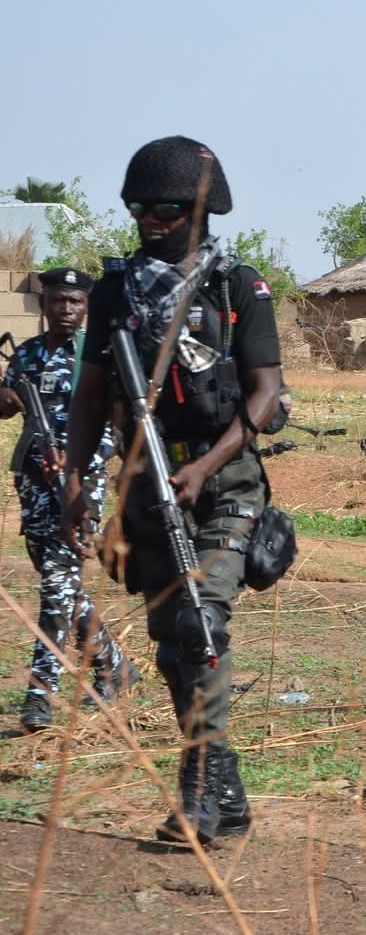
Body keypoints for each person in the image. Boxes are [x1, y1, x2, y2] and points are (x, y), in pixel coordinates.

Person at [63, 136, 287, 845]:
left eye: (163, 209)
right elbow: (90, 396)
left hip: (223, 480)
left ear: (197, 212)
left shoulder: (235, 288)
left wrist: (204, 464)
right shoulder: (113, 292)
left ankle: (197, 792)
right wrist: (75, 478)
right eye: (138, 209)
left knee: (203, 622)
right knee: (170, 646)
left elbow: (266, 393)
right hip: (143, 484)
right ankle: (228, 792)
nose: (147, 221)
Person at [3, 268, 131, 730]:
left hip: (81, 484)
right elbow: (2, 406)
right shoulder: (27, 355)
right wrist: (7, 396)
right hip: (33, 480)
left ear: (86, 307)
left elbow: (117, 427)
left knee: (58, 579)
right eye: (58, 300)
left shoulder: (98, 358)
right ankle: (115, 665)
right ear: (44, 304)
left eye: (75, 302)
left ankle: (41, 692)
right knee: (59, 584)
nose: (66, 310)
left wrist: (80, 464)